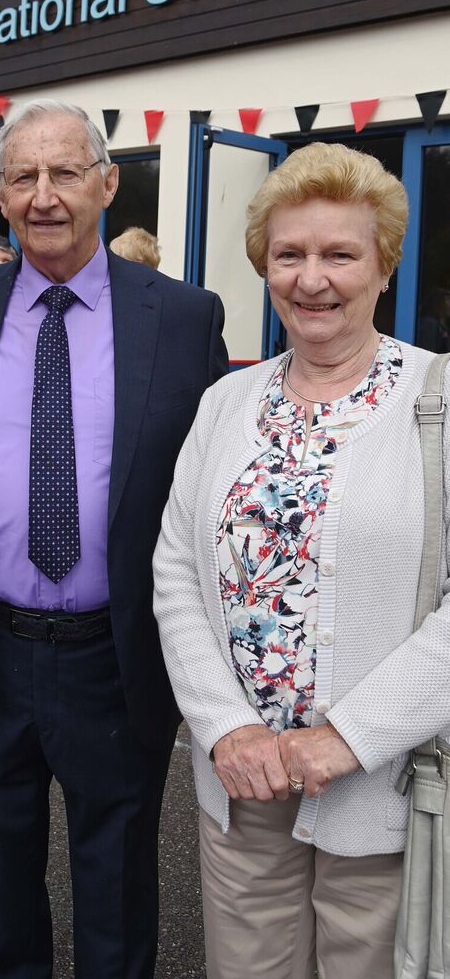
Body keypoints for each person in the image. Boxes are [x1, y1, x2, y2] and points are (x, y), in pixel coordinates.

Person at [0, 98, 227, 978]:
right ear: (1, 194)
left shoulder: (183, 317)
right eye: (22, 176)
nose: (44, 195)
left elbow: (210, 483)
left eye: (65, 172)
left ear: (108, 182)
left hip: (115, 654)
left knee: (118, 894)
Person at [153, 141, 450, 979]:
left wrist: (346, 739)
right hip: (242, 789)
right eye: (290, 254)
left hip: (387, 796)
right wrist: (225, 727)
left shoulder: (440, 399)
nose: (311, 278)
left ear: (384, 267)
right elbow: (176, 569)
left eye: (339, 254)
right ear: (265, 267)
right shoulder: (228, 401)